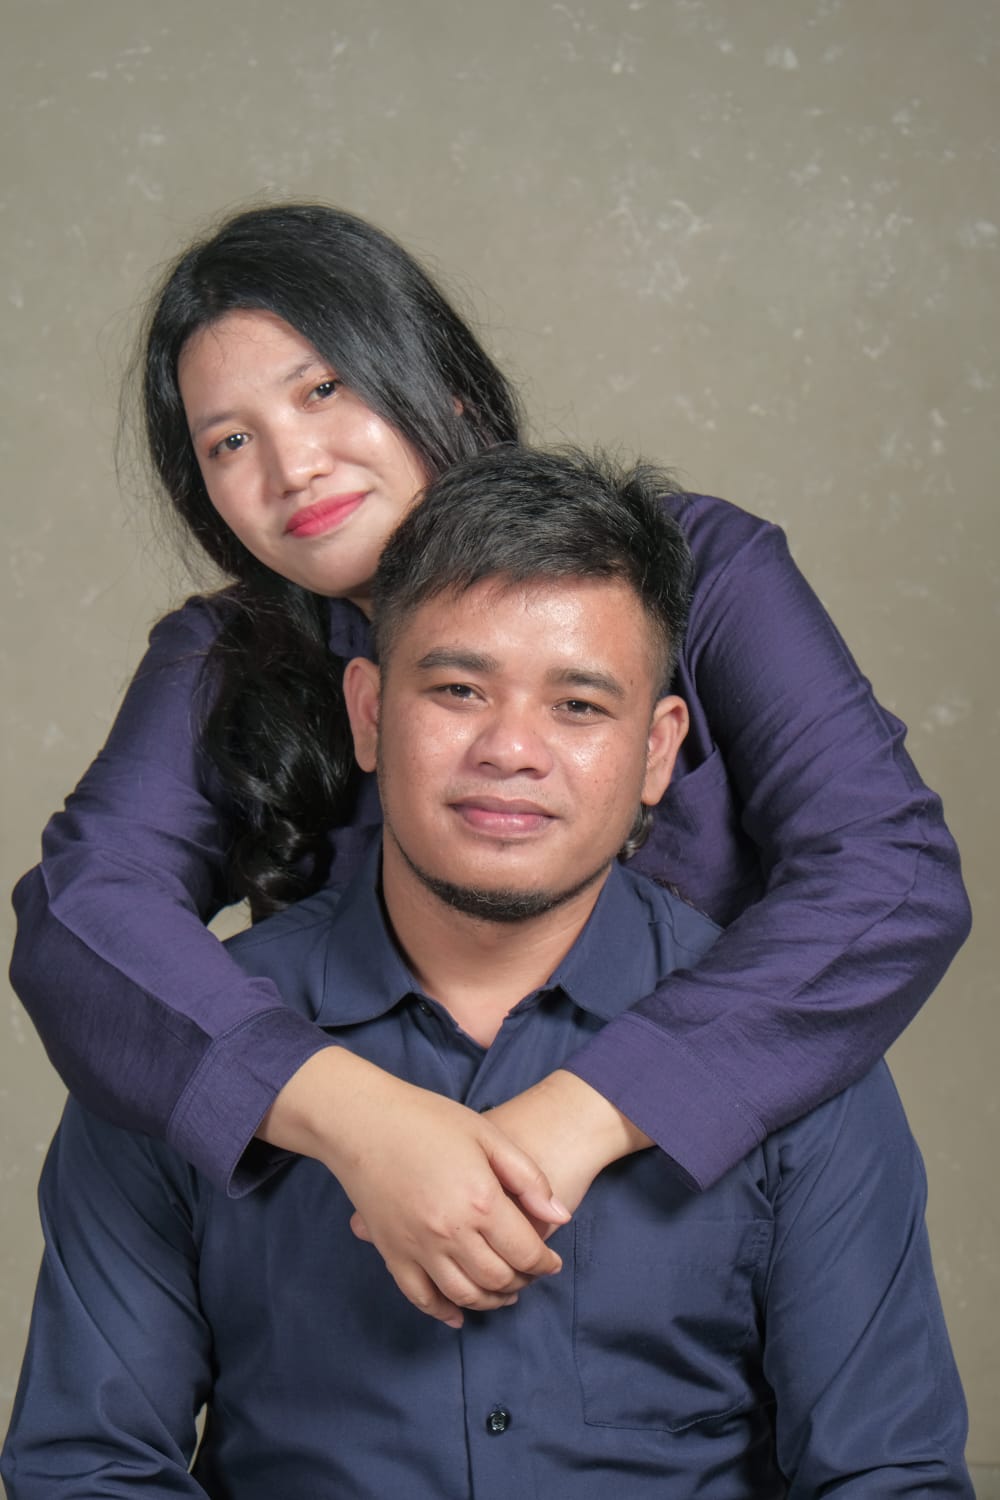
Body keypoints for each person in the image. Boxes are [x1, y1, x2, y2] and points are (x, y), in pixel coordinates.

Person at [9, 202, 971, 1326]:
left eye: (323, 390)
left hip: (691, 1225)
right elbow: (82, 914)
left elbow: (890, 873)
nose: (293, 466)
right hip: (365, 1258)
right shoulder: (222, 655)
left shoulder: (692, 572)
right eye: (230, 441)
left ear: (443, 384)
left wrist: (589, 1109)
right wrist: (361, 1120)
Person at [2, 448, 972, 1497]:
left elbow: (888, 1477)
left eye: (578, 706)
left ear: (658, 752)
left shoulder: (792, 1053)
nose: (512, 749)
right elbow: (88, 1468)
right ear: (369, 714)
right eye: (459, 689)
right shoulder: (173, 1040)